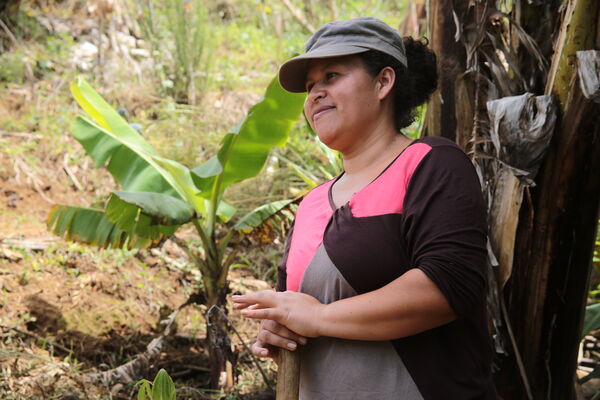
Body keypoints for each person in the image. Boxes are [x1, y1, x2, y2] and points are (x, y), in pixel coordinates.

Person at [233, 17, 498, 399]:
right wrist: (280, 331)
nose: (315, 95)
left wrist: (318, 317)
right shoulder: (310, 204)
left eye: (332, 76)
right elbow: (299, 314)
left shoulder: (431, 163)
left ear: (383, 82)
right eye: (310, 87)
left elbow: (450, 286)